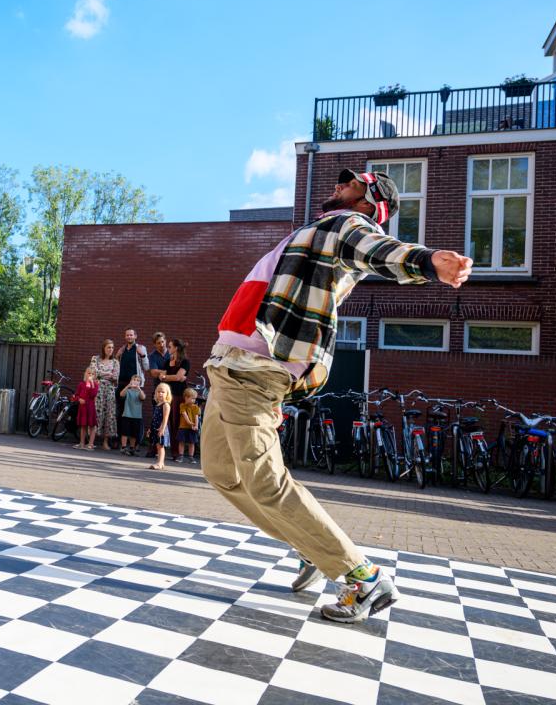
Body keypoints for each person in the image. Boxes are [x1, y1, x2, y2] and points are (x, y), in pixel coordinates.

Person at [203, 169, 472, 624]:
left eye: (348, 185)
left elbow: (379, 250)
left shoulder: (347, 226)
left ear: (369, 203)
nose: (336, 188)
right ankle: (311, 544)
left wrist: (427, 262)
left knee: (266, 482)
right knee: (220, 472)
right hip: (230, 367)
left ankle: (362, 578)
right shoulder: (319, 230)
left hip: (256, 372)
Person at [161, 339, 191, 455]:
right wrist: (173, 377)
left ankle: (176, 452)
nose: (168, 349)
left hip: (178, 395)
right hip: (167, 395)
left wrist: (166, 377)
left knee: (175, 423)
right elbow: (161, 376)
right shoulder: (167, 361)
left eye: (170, 347)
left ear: (176, 348)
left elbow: (178, 377)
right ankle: (156, 449)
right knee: (162, 420)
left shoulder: (185, 362)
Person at [90, 340, 119, 450]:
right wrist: (107, 374)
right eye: (108, 347)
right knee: (97, 412)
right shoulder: (95, 359)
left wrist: (101, 375)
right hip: (97, 390)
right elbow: (93, 372)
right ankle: (92, 440)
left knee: (109, 414)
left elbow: (115, 377)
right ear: (103, 348)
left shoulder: (115, 362)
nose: (110, 350)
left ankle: (105, 442)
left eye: (112, 348)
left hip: (109, 390)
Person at [73, 366, 99, 450]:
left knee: (92, 426)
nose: (90, 375)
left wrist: (91, 383)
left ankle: (90, 444)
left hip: (90, 408)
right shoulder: (81, 384)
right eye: (89, 373)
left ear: (95, 376)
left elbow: (93, 394)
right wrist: (79, 399)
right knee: (83, 426)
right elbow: (75, 395)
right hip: (83, 408)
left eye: (92, 374)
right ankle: (82, 443)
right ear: (85, 374)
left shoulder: (95, 385)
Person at [118, 374, 144, 456]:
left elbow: (143, 397)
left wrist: (139, 389)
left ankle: (132, 448)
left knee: (134, 433)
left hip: (136, 416)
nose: (136, 381)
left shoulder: (140, 392)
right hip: (127, 414)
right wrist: (128, 386)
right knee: (125, 432)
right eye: (134, 379)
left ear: (140, 383)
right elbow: (121, 394)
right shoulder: (128, 391)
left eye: (138, 380)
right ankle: (123, 447)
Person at [149, 382, 171, 470]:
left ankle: (160, 463)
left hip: (161, 428)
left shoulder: (166, 405)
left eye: (163, 392)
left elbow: (165, 418)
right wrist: (150, 429)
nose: (160, 394)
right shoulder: (157, 404)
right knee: (158, 446)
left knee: (161, 446)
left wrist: (162, 428)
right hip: (155, 427)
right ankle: (160, 462)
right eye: (158, 392)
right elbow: (154, 417)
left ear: (167, 394)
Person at [177, 387, 200, 464]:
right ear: (186, 397)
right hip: (183, 427)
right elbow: (184, 414)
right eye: (192, 398)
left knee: (192, 442)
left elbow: (197, 417)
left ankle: (191, 457)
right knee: (181, 442)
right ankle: (180, 456)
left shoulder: (196, 407)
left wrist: (196, 426)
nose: (194, 400)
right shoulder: (182, 405)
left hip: (193, 428)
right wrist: (189, 422)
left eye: (195, 399)